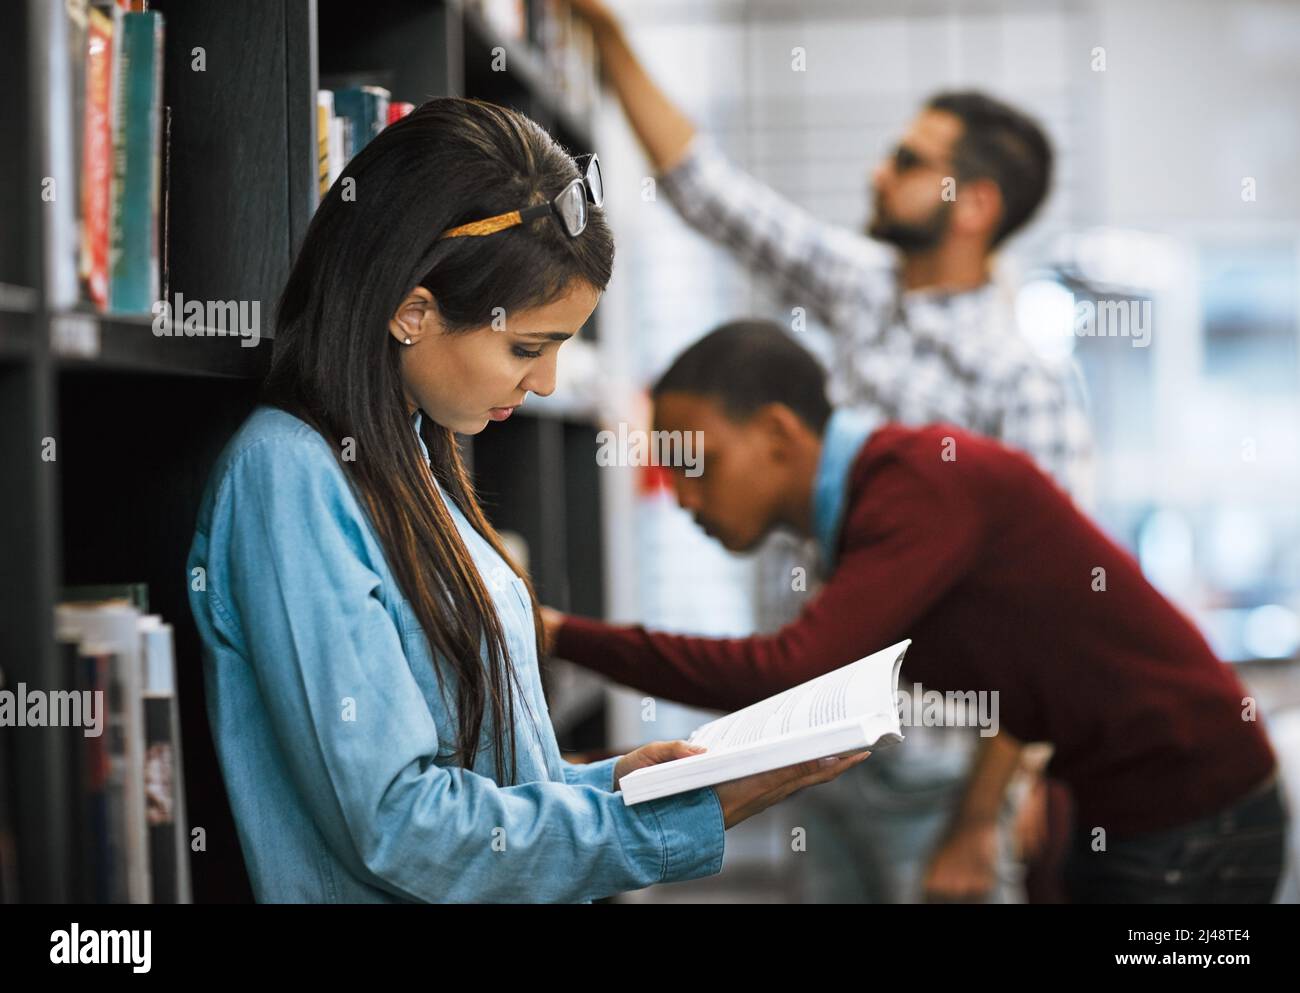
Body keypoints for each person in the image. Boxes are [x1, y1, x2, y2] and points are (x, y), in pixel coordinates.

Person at [185, 98, 868, 904]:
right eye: (525, 347)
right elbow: (397, 826)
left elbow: (482, 774)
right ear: (413, 312)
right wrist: (657, 829)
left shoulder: (412, 457)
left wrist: (610, 785)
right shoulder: (287, 479)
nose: (543, 382)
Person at [566, 0, 1092, 901]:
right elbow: (706, 190)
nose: (877, 170)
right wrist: (606, 33)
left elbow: (1050, 627)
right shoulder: (857, 286)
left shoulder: (1023, 387)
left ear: (979, 205)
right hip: (820, 748)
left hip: (936, 772)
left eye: (909, 161)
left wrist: (979, 819)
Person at [543, 322, 1289, 904]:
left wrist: (561, 633)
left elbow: (788, 671)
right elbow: (1030, 653)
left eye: (695, 465)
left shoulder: (916, 482)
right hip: (1134, 807)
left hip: (1196, 815)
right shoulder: (881, 499)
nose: (683, 498)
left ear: (777, 433)